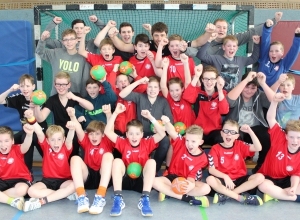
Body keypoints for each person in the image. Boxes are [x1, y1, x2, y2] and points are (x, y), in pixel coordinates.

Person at [104, 103, 166, 216]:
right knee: (117, 161)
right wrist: (116, 113)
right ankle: (118, 199)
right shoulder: (123, 142)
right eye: (131, 134)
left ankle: (145, 199)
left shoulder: (147, 143)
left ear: (142, 134)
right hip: (126, 180)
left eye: (137, 134)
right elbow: (107, 132)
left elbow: (162, 134)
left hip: (141, 182)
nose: (134, 137)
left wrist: (150, 117)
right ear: (126, 134)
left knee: (151, 162)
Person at [22, 109, 76, 212]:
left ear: (63, 140)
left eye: (59, 139)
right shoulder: (45, 146)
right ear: (47, 140)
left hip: (64, 180)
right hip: (47, 181)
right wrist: (30, 118)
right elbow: (38, 130)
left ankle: (44, 200)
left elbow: (70, 138)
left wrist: (72, 129)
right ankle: (62, 194)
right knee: (31, 191)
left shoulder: (66, 147)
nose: (56, 143)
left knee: (74, 185)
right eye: (52, 140)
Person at [153, 115, 210, 207]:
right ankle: (187, 198)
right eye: (187, 140)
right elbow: (171, 131)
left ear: (201, 142)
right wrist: (167, 122)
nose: (189, 144)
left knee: (206, 188)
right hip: (173, 177)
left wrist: (190, 185)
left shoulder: (203, 158)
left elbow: (192, 176)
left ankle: (168, 192)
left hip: (187, 181)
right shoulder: (181, 142)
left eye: (193, 141)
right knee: (154, 182)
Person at [33, 71, 93, 158]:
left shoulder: (75, 96)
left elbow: (90, 107)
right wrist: (37, 107)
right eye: (58, 84)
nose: (61, 87)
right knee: (51, 140)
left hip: (74, 131)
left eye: (64, 84)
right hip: (60, 132)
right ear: (54, 84)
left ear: (69, 85)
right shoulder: (52, 100)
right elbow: (40, 118)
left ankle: (73, 160)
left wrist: (75, 97)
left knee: (75, 141)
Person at [119, 76, 173, 172]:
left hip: (156, 133)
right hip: (141, 133)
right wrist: (138, 82)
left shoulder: (163, 101)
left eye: (155, 87)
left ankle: (154, 169)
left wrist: (162, 128)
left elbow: (170, 122)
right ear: (146, 88)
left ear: (159, 89)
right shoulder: (140, 97)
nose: (152, 90)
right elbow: (122, 94)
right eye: (150, 87)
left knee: (165, 141)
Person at [67, 107, 114, 214]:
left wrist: (108, 114)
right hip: (88, 177)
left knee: (108, 156)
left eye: (97, 133)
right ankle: (82, 197)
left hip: (104, 177)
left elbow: (110, 128)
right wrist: (72, 116)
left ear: (102, 135)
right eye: (91, 134)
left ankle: (100, 196)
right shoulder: (86, 141)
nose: (93, 136)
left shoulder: (107, 140)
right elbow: (78, 128)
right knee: (75, 158)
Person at [206, 120, 265, 206]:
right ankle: (239, 198)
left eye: (233, 132)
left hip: (240, 180)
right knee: (209, 179)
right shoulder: (215, 148)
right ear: (221, 133)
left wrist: (250, 131)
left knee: (260, 177)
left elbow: (258, 148)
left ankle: (227, 195)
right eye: (226, 131)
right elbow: (211, 169)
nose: (229, 134)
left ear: (237, 136)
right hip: (223, 181)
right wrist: (225, 177)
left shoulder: (240, 145)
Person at [226, 71, 275, 173]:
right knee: (233, 135)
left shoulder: (259, 95)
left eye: (253, 88)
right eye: (247, 87)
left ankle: (261, 167)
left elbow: (274, 101)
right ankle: (233, 168)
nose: (249, 91)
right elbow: (229, 102)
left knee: (266, 134)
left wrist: (263, 84)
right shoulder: (236, 93)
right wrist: (246, 80)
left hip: (254, 131)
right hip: (238, 129)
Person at [257, 93, 300, 203]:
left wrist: (294, 187)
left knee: (297, 186)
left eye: (298, 138)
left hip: (287, 179)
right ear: (286, 136)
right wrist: (275, 101)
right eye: (291, 137)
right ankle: (293, 197)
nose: (295, 141)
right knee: (262, 186)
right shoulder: (279, 137)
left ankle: (274, 195)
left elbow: (296, 174)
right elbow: (270, 118)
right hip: (269, 177)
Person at [184, 12, 282, 59]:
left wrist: (273, 22)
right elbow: (192, 49)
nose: (221, 30)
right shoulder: (205, 41)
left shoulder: (232, 40)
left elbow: (251, 33)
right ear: (214, 28)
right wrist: (182, 48)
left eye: (224, 28)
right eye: (219, 27)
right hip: (209, 79)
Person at [0, 74, 45, 173]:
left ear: (33, 87)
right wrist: (10, 90)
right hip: (26, 130)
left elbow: (40, 119)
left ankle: (27, 171)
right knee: (8, 141)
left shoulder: (40, 97)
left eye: (28, 86)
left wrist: (35, 107)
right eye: (22, 86)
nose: (25, 89)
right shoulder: (19, 97)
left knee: (28, 137)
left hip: (40, 131)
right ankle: (6, 168)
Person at [109, 22, 212, 57]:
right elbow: (122, 46)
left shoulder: (173, 43)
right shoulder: (147, 45)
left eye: (162, 35)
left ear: (166, 35)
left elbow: (198, 42)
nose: (159, 38)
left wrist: (209, 32)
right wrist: (112, 36)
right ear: (152, 35)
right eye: (156, 35)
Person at [36, 28, 90, 97]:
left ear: (77, 40)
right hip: (56, 97)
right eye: (66, 40)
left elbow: (85, 81)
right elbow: (39, 52)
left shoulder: (83, 58)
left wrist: (82, 98)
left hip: (75, 98)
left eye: (71, 39)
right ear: (62, 42)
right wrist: (42, 40)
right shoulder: (56, 53)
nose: (69, 42)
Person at [191, 65, 229, 146]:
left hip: (215, 131)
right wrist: (196, 77)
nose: (209, 82)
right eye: (206, 79)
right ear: (202, 80)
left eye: (212, 79)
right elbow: (188, 98)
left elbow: (224, 111)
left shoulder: (221, 93)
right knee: (192, 140)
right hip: (199, 130)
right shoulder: (197, 92)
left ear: (216, 80)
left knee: (221, 139)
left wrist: (220, 90)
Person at [78, 26, 123, 92]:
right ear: (100, 51)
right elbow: (81, 51)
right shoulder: (96, 58)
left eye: (109, 49)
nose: (106, 51)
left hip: (115, 93)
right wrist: (83, 34)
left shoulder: (119, 59)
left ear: (113, 51)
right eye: (104, 49)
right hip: (100, 93)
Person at [258, 19, 300, 87]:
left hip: (274, 94)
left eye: (277, 51)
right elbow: (265, 42)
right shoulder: (264, 58)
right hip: (259, 92)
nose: (273, 53)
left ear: (282, 53)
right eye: (271, 51)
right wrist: (267, 28)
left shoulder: (284, 64)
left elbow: (294, 52)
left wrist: (298, 37)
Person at [0, 125, 34, 211]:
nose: (3, 144)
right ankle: (12, 200)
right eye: (0, 141)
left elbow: (26, 145)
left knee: (22, 190)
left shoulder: (17, 149)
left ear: (12, 141)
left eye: (6, 141)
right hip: (3, 181)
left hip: (20, 180)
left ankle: (3, 197)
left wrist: (29, 135)